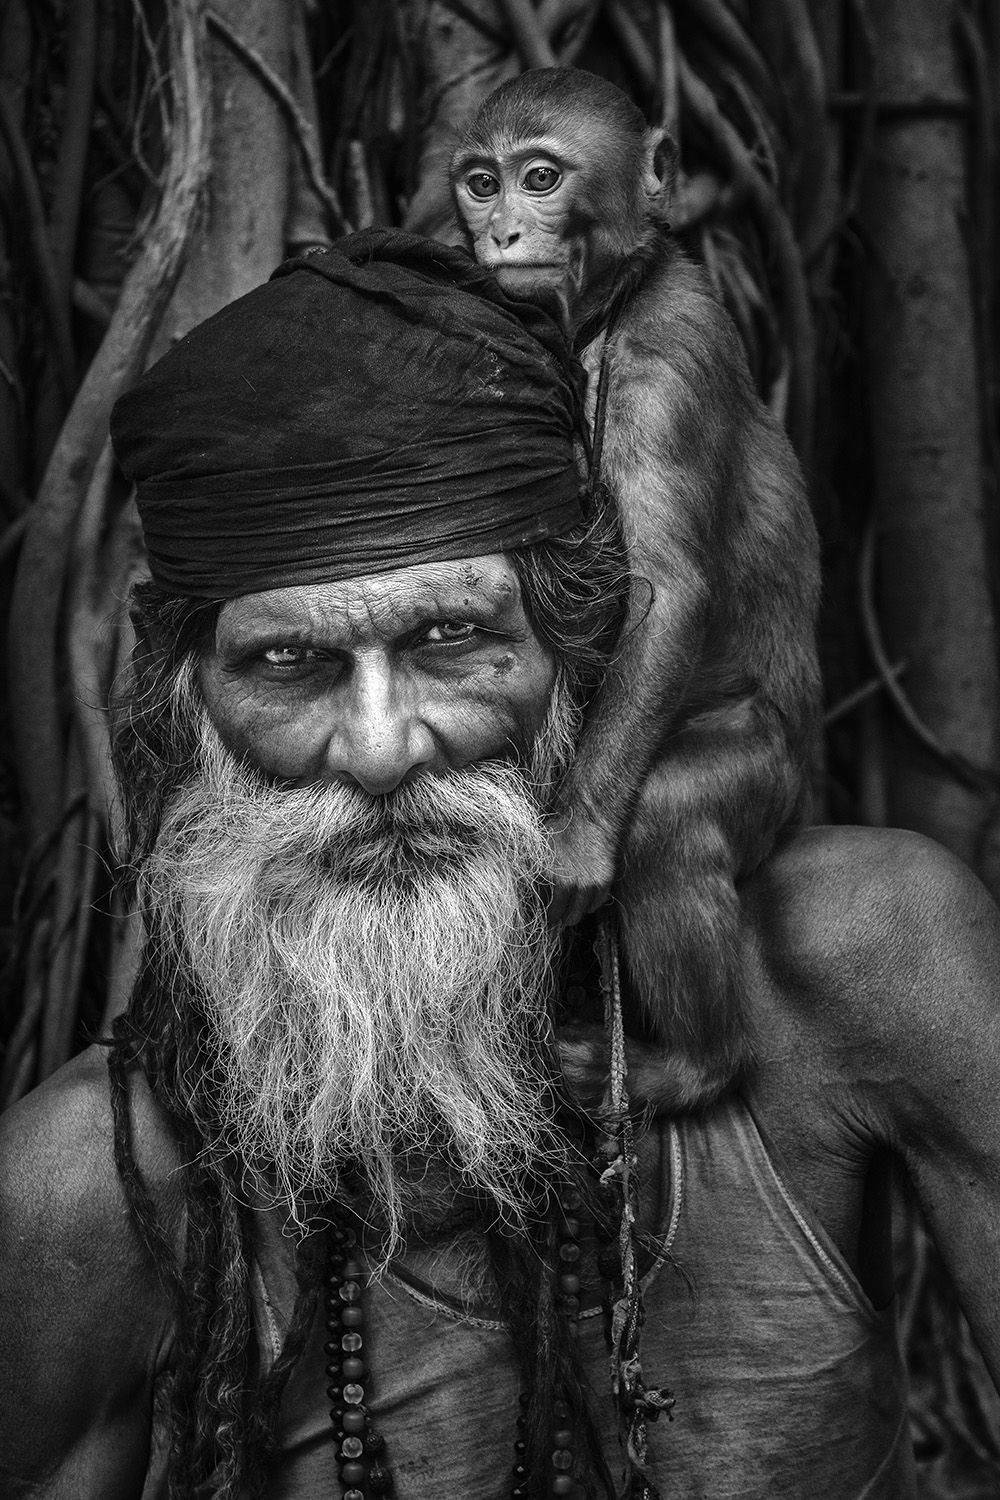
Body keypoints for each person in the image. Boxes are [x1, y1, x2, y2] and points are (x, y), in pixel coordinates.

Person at [2, 230, 1000, 1500]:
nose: (377, 749)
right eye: (286, 664)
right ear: (181, 709)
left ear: (574, 662)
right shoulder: (83, 1193)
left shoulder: (867, 958)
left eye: (451, 637)